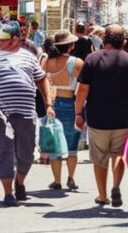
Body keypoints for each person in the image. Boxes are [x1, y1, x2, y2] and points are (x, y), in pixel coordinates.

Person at [0, 21, 56, 207]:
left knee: (26, 153)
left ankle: (20, 182)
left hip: (26, 114)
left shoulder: (28, 58)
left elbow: (41, 79)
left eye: (3, 40)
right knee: (5, 152)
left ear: (14, 40)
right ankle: (8, 193)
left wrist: (48, 104)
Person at [75, 24, 128, 207]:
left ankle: (103, 195)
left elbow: (82, 89)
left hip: (98, 118)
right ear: (123, 42)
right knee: (118, 154)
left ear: (105, 40)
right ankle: (116, 185)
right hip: (123, 117)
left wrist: (78, 112)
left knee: (99, 158)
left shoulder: (92, 59)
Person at [40, 31, 84, 191]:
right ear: (71, 45)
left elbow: (40, 79)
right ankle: (71, 177)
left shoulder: (47, 62)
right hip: (70, 104)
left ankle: (57, 180)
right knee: (72, 145)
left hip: (51, 104)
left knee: (55, 145)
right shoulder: (76, 62)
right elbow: (83, 86)